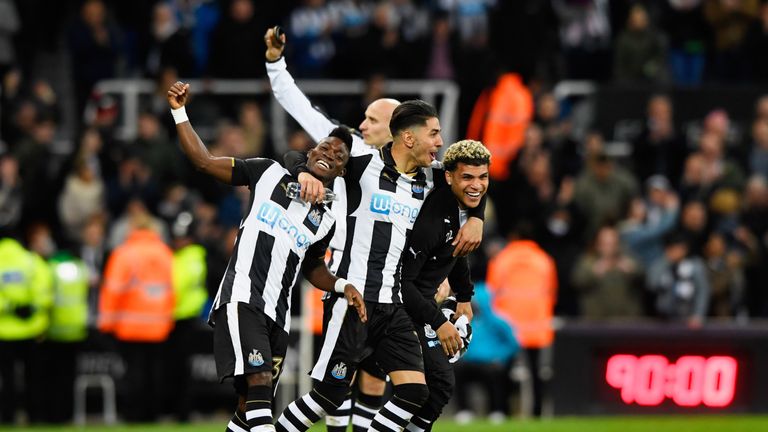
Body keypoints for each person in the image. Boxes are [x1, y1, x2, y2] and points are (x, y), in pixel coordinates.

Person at [264, 28, 480, 432]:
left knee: (415, 392)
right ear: (409, 135)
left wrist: (478, 220)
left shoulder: (430, 181)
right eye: (434, 134)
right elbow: (304, 128)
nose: (440, 141)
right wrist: (276, 64)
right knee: (329, 396)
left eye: (371, 118)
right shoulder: (358, 162)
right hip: (354, 299)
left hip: (396, 304)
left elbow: (470, 178)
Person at [166, 81, 366, 432]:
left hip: (279, 316)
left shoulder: (328, 219)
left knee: (248, 409)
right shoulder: (266, 172)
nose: (329, 154)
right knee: (260, 385)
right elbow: (203, 162)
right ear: (310, 149)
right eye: (325, 146)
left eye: (338, 156)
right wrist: (180, 112)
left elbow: (314, 268)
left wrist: (342, 285)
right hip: (242, 299)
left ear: (342, 172)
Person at [399, 139, 491, 431]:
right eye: (467, 177)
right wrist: (439, 321)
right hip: (399, 304)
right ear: (448, 176)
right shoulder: (433, 221)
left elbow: (455, 253)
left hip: (419, 304)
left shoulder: (459, 206)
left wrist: (464, 296)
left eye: (483, 177)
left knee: (435, 387)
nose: (477, 185)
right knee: (428, 386)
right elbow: (405, 283)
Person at [0, 233, 53, 425]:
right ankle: (35, 416)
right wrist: (30, 306)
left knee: (7, 379)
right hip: (32, 329)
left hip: (4, 331)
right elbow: (46, 289)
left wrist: (9, 307)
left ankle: (7, 417)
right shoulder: (31, 260)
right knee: (34, 378)